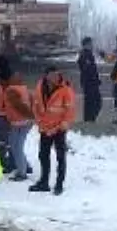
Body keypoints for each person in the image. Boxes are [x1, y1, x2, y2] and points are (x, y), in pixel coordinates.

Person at [31, 67, 75, 195]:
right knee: (43, 155)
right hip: (45, 128)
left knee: (60, 157)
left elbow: (69, 112)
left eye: (57, 75)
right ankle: (44, 182)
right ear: (46, 76)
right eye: (52, 76)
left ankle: (59, 184)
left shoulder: (65, 90)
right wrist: (39, 122)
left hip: (59, 129)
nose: (55, 78)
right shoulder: (40, 86)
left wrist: (58, 128)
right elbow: (36, 106)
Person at [1, 72, 34, 182]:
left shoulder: (11, 91)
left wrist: (31, 115)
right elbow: (31, 101)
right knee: (16, 145)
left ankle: (22, 172)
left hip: (19, 123)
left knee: (16, 147)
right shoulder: (24, 89)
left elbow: (20, 106)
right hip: (24, 122)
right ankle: (25, 166)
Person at [76, 37, 102, 123]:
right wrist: (94, 79)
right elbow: (87, 69)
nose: (92, 45)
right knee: (93, 103)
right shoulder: (84, 55)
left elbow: (92, 69)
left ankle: (90, 120)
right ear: (86, 45)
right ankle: (89, 120)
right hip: (89, 83)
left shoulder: (88, 54)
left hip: (91, 83)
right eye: (90, 44)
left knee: (94, 103)